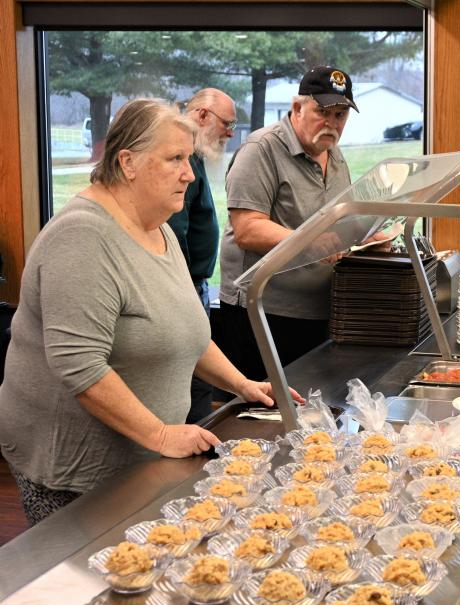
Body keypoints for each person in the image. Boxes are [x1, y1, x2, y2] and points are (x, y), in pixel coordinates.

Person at [0, 99, 300, 526]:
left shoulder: (157, 226)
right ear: (128, 162)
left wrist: (242, 384)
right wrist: (160, 434)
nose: (189, 174)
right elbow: (79, 365)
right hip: (72, 468)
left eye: (189, 159)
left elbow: (183, 330)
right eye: (175, 159)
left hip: (139, 455)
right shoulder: (82, 237)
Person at [216, 66, 359, 381]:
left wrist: (367, 234)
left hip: (319, 311)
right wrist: (309, 240)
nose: (331, 124)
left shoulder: (335, 155)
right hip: (262, 312)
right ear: (297, 108)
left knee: (310, 414)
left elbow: (341, 217)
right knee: (259, 417)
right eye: (323, 112)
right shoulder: (261, 149)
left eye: (340, 116)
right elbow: (248, 228)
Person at [169, 88, 237, 423]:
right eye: (227, 123)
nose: (231, 132)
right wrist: (180, 287)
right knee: (195, 383)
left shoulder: (193, 157)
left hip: (195, 284)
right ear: (202, 116)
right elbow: (174, 231)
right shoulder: (185, 161)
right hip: (183, 288)